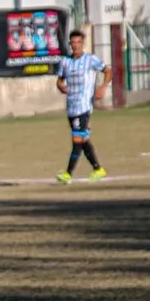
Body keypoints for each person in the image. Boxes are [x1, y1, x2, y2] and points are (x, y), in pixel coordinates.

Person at [55, 29, 112, 185]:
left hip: (84, 106)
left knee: (77, 139)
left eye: (79, 42)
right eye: (73, 42)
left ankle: (68, 174)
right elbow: (59, 80)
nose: (76, 45)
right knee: (83, 140)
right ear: (70, 44)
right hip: (71, 107)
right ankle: (98, 169)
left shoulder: (90, 60)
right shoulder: (65, 61)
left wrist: (103, 87)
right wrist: (60, 86)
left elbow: (108, 71)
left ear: (83, 44)